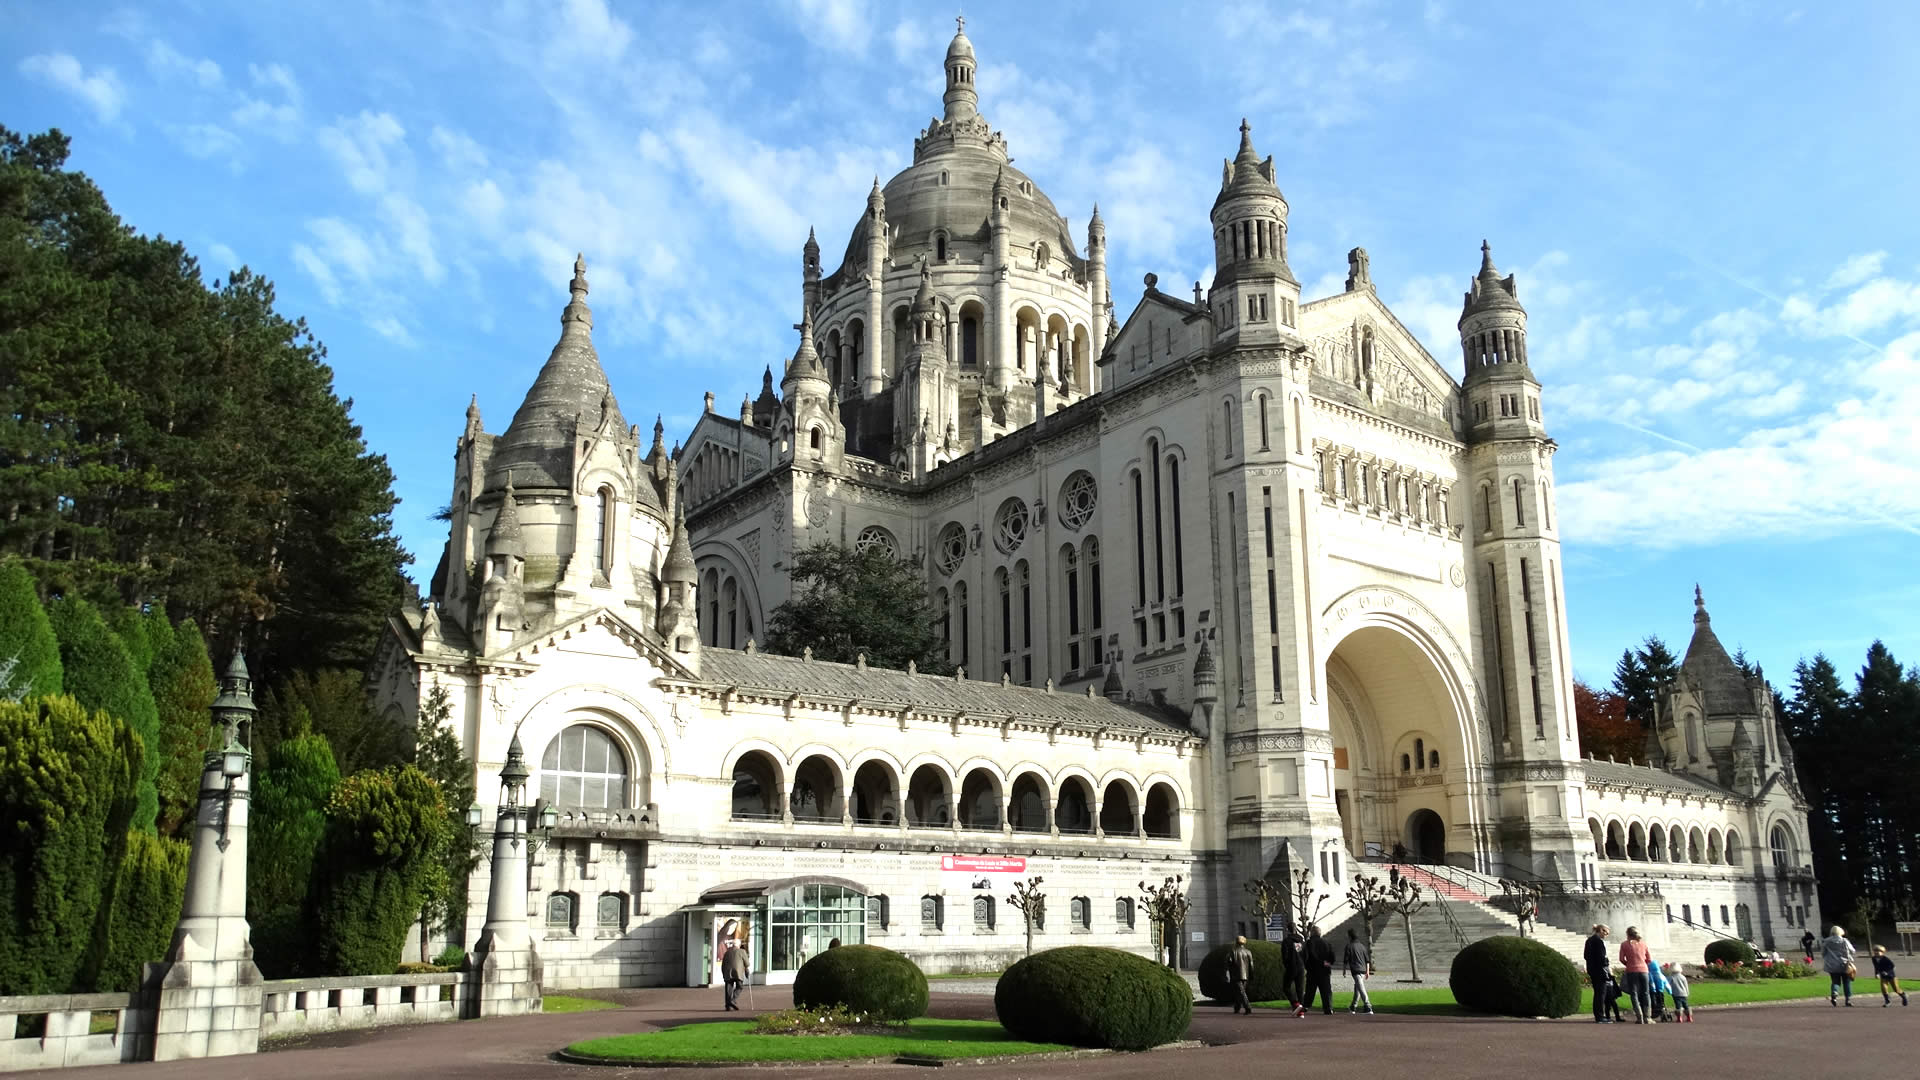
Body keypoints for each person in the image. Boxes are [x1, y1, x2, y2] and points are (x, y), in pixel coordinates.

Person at [1618, 926, 1652, 1024]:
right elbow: (1649, 959)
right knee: (1646, 993)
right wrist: (1643, 963)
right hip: (1643, 970)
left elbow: (1621, 958)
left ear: (1627, 934)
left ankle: (1639, 1016)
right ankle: (1648, 1016)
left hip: (1631, 970)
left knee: (1634, 993)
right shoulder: (1643, 944)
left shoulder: (1624, 944)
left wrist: (1628, 964)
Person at [1303, 924, 1336, 1016]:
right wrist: (1326, 964)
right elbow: (1332, 958)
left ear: (1312, 933)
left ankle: (1306, 1006)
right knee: (1326, 991)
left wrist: (1307, 966)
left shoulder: (1309, 943)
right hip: (1325, 971)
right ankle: (1328, 1008)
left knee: (1310, 990)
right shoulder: (1327, 943)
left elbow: (1306, 957)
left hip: (1313, 971)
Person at [1822, 925, 1858, 1006]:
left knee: (1835, 981)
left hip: (1832, 965)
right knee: (1846, 982)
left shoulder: (1826, 941)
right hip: (1844, 964)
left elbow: (1823, 953)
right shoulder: (1844, 941)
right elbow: (1853, 951)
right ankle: (1847, 1000)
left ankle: (1834, 994)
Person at [1585, 924, 1614, 1023]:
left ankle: (1599, 1015)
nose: (1606, 935)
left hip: (1592, 970)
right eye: (1606, 932)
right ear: (1601, 930)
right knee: (1601, 994)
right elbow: (1601, 958)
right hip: (1600, 971)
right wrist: (1606, 963)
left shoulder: (1589, 940)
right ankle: (1600, 1016)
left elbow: (1586, 956)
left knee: (1598, 993)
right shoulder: (1598, 942)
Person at [1343, 929, 1373, 1014]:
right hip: (1363, 969)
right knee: (1358, 988)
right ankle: (1353, 1006)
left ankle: (1368, 1006)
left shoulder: (1349, 946)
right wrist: (1367, 971)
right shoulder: (1362, 946)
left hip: (1356, 969)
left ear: (1349, 936)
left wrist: (1344, 971)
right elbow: (1367, 960)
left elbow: (1346, 960)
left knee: (1361, 988)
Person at [1283, 925, 1308, 1018]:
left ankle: (1295, 1003)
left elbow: (1285, 956)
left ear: (1288, 930)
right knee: (1300, 989)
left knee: (1286, 987)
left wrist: (1287, 965)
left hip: (1291, 966)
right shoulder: (1300, 941)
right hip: (1300, 966)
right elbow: (1303, 954)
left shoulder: (1287, 941)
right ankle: (1301, 1011)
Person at [1228, 935, 1255, 1015]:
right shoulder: (1248, 952)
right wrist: (1252, 975)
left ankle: (1248, 1007)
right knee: (1240, 991)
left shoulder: (1233, 951)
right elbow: (1251, 965)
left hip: (1236, 975)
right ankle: (1237, 1007)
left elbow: (1228, 963)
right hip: (1245, 975)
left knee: (1241, 992)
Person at [720, 939, 749, 1012]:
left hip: (728, 972)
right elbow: (747, 963)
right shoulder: (742, 951)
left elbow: (723, 965)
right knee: (739, 986)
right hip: (738, 972)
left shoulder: (727, 952)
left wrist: (724, 974)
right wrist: (746, 970)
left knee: (728, 989)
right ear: (738, 945)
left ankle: (728, 1006)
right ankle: (732, 1000)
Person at [1645, 947, 1670, 1021]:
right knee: (1661, 1001)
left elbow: (1651, 982)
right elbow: (1666, 983)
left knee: (1653, 1001)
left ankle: (1653, 1011)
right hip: (1660, 990)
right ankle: (1662, 1010)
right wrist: (1669, 991)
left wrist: (1652, 988)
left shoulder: (1650, 974)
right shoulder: (1661, 975)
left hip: (1653, 991)